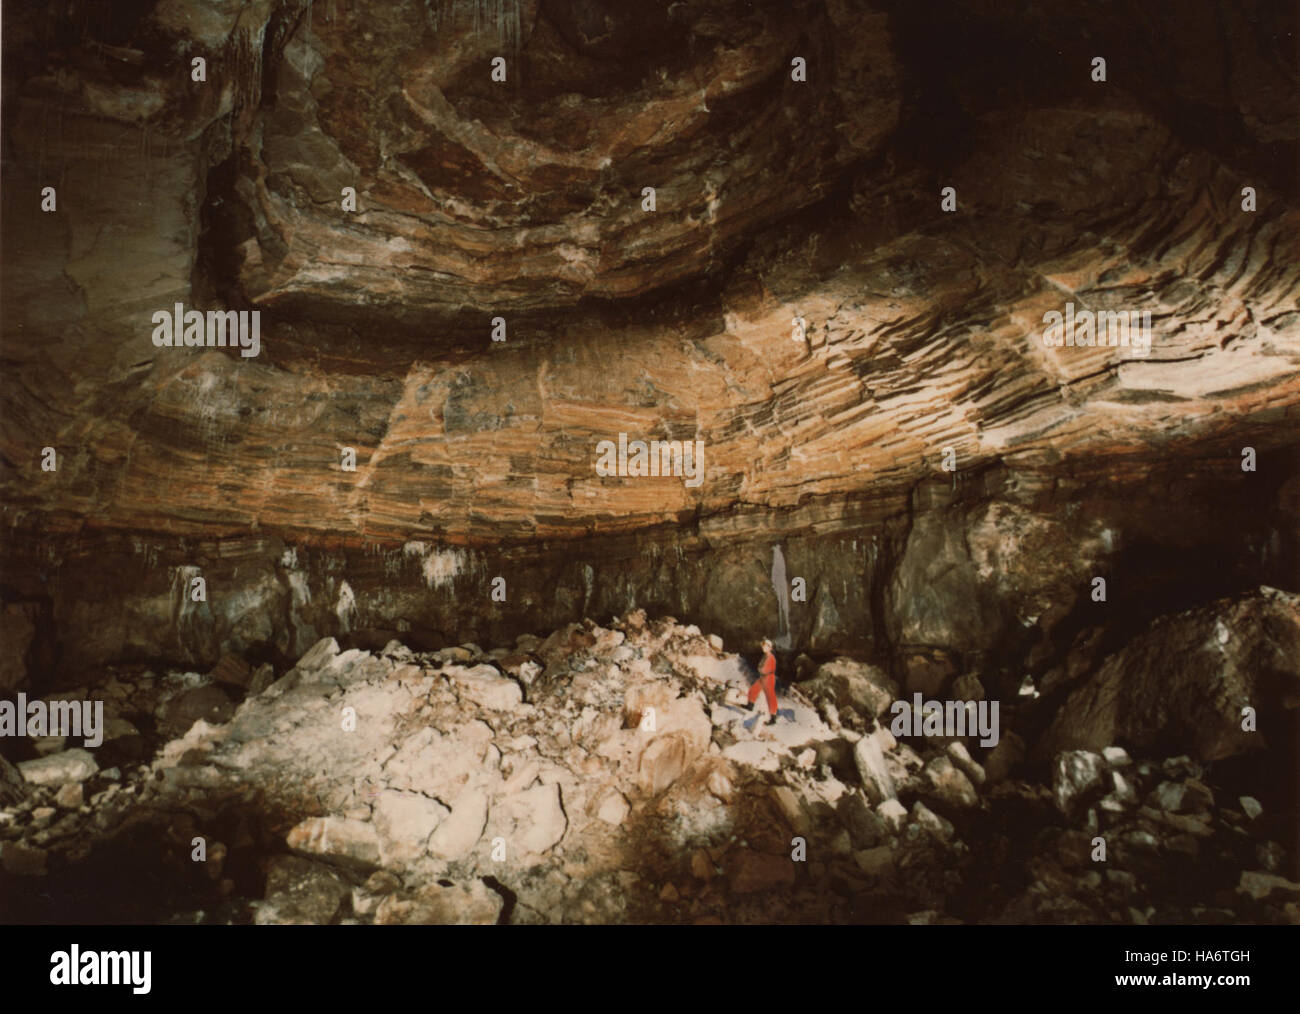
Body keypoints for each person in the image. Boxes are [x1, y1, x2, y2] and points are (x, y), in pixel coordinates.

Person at [746, 638, 779, 725]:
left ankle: (773, 718)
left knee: (770, 697)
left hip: (768, 678)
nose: (763, 647)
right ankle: (750, 705)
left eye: (765, 646)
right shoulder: (765, 656)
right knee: (754, 689)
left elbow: (765, 669)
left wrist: (761, 669)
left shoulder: (771, 658)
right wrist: (760, 669)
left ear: (769, 647)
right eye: (763, 646)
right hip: (763, 678)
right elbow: (760, 667)